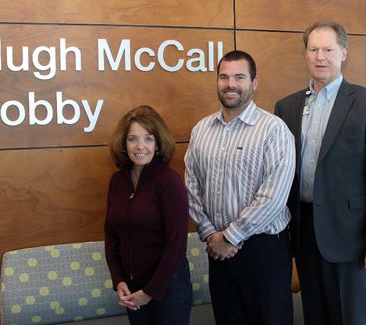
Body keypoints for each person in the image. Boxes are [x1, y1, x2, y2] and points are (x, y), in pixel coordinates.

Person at [185, 50, 295, 325]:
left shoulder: (274, 129)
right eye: (224, 77)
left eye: (239, 77)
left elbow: (273, 196)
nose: (230, 84)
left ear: (254, 82)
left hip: (264, 251)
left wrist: (231, 237)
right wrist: (210, 234)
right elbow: (191, 185)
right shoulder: (201, 130)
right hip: (217, 250)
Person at [275, 21, 366, 325]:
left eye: (328, 49)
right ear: (306, 54)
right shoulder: (286, 107)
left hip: (349, 236)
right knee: (314, 316)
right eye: (313, 49)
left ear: (343, 53)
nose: (320, 56)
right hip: (303, 232)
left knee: (349, 317)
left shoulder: (364, 103)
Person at [105, 105, 192, 325]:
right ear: (124, 144)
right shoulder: (117, 181)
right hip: (132, 291)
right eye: (133, 139)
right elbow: (111, 238)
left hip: (168, 288)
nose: (140, 146)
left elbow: (177, 245)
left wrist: (150, 292)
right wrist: (119, 280)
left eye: (148, 138)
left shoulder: (169, 181)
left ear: (159, 144)